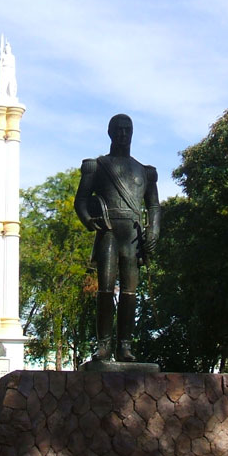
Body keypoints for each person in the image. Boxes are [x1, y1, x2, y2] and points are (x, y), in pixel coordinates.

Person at [74, 114, 160, 362]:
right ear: (110, 133)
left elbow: (153, 206)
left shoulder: (145, 171)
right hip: (108, 232)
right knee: (105, 289)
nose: (123, 134)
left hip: (133, 235)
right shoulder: (97, 166)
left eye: (127, 129)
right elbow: (81, 200)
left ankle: (125, 346)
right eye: (119, 129)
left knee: (130, 293)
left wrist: (153, 231)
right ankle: (104, 346)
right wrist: (89, 221)